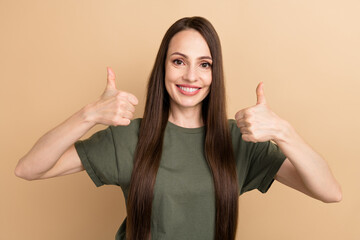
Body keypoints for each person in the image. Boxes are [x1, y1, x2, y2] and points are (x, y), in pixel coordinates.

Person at [15, 16, 342, 240]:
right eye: (178, 61)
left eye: (204, 64)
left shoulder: (238, 141)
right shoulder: (129, 137)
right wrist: (88, 115)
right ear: (163, 68)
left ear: (214, 75)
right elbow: (29, 168)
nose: (190, 76)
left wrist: (284, 131)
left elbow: (329, 192)